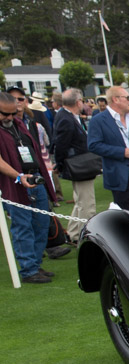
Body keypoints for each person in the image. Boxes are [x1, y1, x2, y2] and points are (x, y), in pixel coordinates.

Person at [0, 91, 63, 284]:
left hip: (36, 179)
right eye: (5, 114)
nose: (10, 117)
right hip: (15, 184)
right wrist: (18, 177)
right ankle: (28, 269)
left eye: (13, 113)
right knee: (22, 227)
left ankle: (34, 264)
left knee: (42, 223)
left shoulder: (20, 125)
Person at [87, 85, 129, 209]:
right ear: (115, 99)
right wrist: (122, 152)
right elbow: (93, 145)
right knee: (126, 214)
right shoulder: (99, 120)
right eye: (127, 98)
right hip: (121, 176)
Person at [52, 88, 96, 242]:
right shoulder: (66, 118)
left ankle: (74, 233)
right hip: (79, 166)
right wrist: (60, 163)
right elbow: (60, 145)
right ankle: (82, 236)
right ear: (78, 102)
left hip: (79, 164)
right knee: (87, 204)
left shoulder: (68, 116)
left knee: (80, 202)